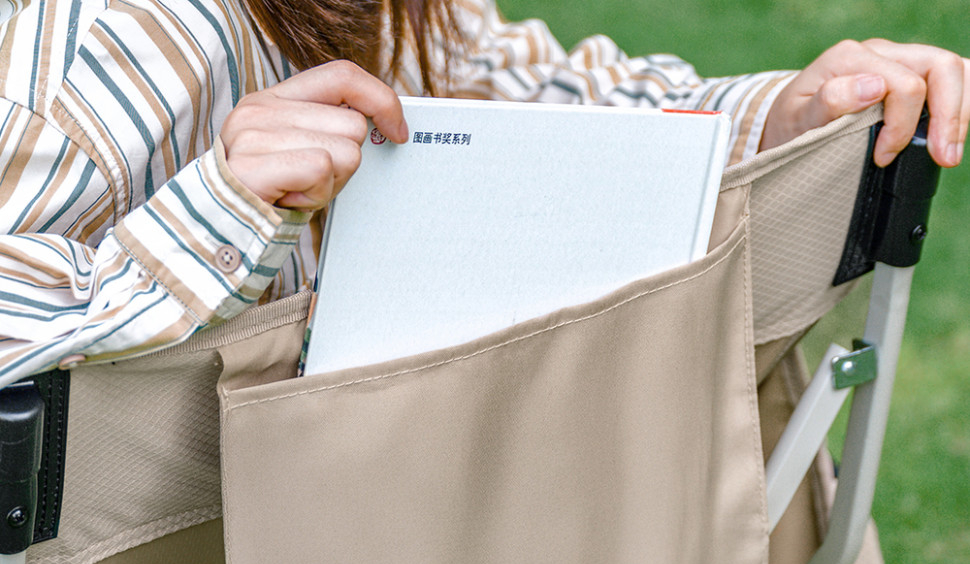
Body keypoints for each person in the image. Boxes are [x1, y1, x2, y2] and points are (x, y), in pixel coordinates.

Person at [0, 0, 966, 391]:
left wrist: (784, 115)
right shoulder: (78, 59)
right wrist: (217, 208)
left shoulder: (385, 10)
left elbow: (530, 86)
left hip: (349, 557)